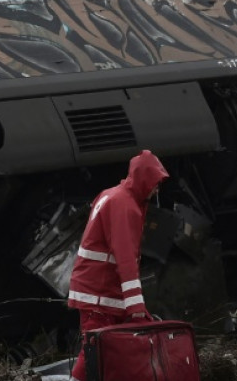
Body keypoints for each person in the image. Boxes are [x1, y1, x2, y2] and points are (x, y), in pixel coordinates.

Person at [67, 150, 169, 381]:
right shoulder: (125, 206)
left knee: (101, 349)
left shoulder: (113, 195)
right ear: (144, 179)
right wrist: (136, 309)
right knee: (97, 348)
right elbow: (126, 260)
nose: (157, 190)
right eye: (155, 183)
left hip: (95, 288)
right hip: (99, 293)